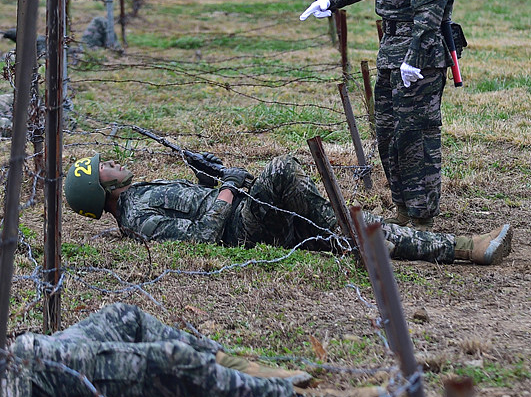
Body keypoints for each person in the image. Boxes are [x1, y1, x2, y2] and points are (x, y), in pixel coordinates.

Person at [300, 0, 457, 231]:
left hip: (420, 53)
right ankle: (403, 208)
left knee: (415, 134)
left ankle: (421, 217)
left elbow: (431, 8)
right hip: (391, 51)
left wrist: (415, 57)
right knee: (388, 133)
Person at [63, 152, 512, 266]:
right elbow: (201, 237)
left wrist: (212, 178)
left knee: (354, 233)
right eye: (104, 170)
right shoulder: (138, 217)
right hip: (243, 229)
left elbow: (194, 203)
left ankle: (466, 247)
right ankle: (352, 229)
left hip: (244, 213)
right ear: (100, 192)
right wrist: (229, 193)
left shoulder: (140, 194)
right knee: (281, 169)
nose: (113, 165)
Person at [0, 302, 373, 397]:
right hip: (23, 380)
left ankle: (235, 366)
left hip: (27, 351)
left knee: (124, 317)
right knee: (169, 362)